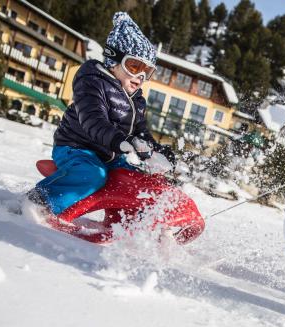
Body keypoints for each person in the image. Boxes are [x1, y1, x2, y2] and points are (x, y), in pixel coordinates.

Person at [24, 12, 176, 220]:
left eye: (147, 71)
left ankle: (125, 223)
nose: (140, 77)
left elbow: (141, 132)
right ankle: (39, 203)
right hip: (75, 148)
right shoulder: (92, 81)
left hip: (110, 155)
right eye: (134, 66)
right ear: (113, 60)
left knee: (136, 179)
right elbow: (93, 121)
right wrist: (121, 141)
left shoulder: (137, 99)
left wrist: (157, 150)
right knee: (93, 175)